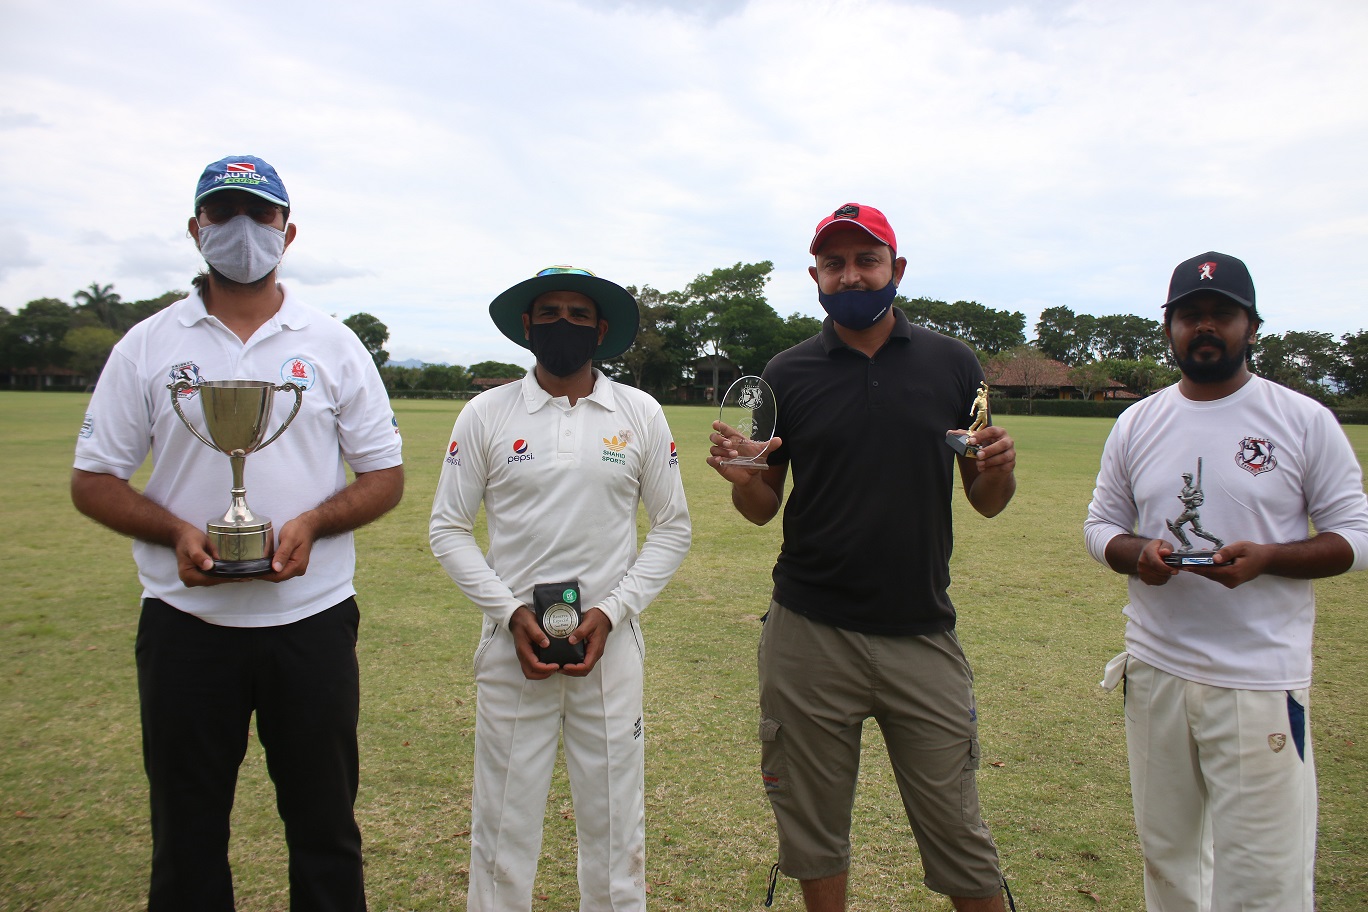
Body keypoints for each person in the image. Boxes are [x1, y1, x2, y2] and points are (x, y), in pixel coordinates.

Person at [70, 154, 405, 912]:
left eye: (261, 215)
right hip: (187, 626)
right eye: (225, 214)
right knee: (186, 835)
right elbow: (93, 479)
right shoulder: (150, 345)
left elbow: (384, 475)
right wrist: (177, 531)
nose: (244, 230)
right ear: (196, 229)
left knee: (325, 829)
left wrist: (315, 521)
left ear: (288, 232)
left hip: (310, 621)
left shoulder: (331, 342)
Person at [708, 204, 1017, 912]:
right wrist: (745, 481)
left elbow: (987, 499)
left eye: (867, 260)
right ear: (815, 275)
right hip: (809, 631)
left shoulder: (952, 363)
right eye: (836, 263)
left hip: (921, 631)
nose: (852, 275)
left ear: (896, 270)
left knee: (961, 835)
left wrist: (997, 464)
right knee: (814, 833)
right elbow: (762, 508)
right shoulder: (787, 372)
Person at [1084, 251, 1368, 911]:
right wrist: (1138, 555)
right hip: (1155, 672)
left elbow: (1356, 536)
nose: (1205, 327)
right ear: (1169, 329)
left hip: (1259, 680)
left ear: (1252, 326)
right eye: (1190, 315)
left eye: (1222, 315)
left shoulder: (1301, 420)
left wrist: (1270, 557)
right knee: (1171, 866)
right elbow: (1100, 526)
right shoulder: (1138, 421)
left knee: (1264, 882)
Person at [429, 266, 691, 912]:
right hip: (512, 650)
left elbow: (673, 528)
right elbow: (448, 529)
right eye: (550, 312)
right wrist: (508, 611)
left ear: (602, 331)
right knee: (502, 832)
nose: (564, 325)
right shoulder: (487, 414)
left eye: (580, 314)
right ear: (526, 325)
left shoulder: (639, 414)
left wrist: (613, 608)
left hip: (611, 650)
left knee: (614, 832)